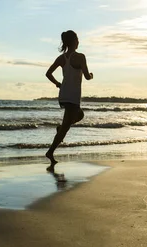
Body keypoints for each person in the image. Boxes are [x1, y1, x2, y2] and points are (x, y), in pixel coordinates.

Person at [45, 30, 93, 166]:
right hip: (73, 95)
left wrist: (58, 84)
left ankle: (60, 129)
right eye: (77, 39)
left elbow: (48, 73)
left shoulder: (61, 58)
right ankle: (50, 151)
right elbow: (87, 77)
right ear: (73, 41)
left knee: (80, 115)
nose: (79, 42)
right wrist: (91, 75)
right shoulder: (80, 57)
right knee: (66, 126)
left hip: (64, 93)